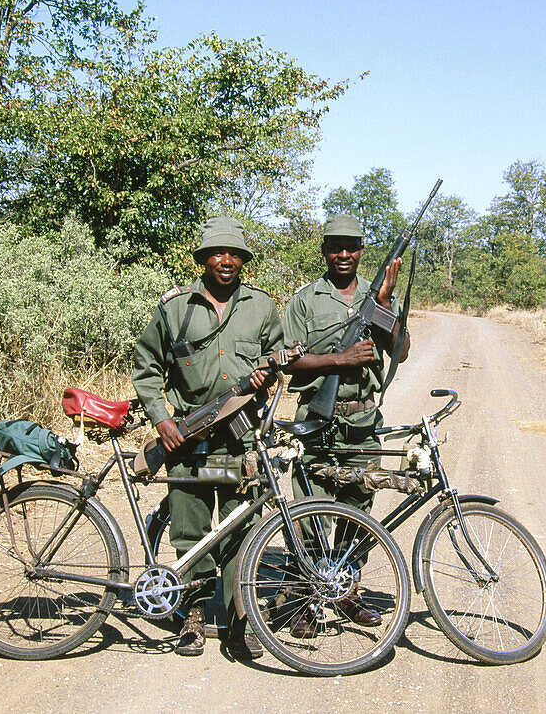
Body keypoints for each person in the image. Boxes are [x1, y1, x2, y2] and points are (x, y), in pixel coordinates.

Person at [131, 216, 283, 659]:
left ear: (243, 261)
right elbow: (146, 366)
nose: (226, 261)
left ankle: (241, 621)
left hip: (240, 440)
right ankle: (193, 618)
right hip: (187, 441)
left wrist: (267, 372)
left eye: (235, 253)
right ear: (202, 258)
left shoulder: (261, 306)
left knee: (242, 530)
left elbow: (278, 355)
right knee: (191, 531)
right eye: (217, 253)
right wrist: (162, 420)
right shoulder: (175, 308)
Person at [282, 213, 410, 638]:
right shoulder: (305, 300)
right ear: (324, 250)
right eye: (335, 246)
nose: (343, 254)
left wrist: (386, 304)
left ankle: (346, 590)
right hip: (316, 421)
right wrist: (341, 359)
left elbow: (402, 352)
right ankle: (304, 597)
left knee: (358, 510)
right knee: (308, 514)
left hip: (362, 422)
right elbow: (290, 362)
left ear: (361, 252)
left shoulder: (376, 300)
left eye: (351, 246)